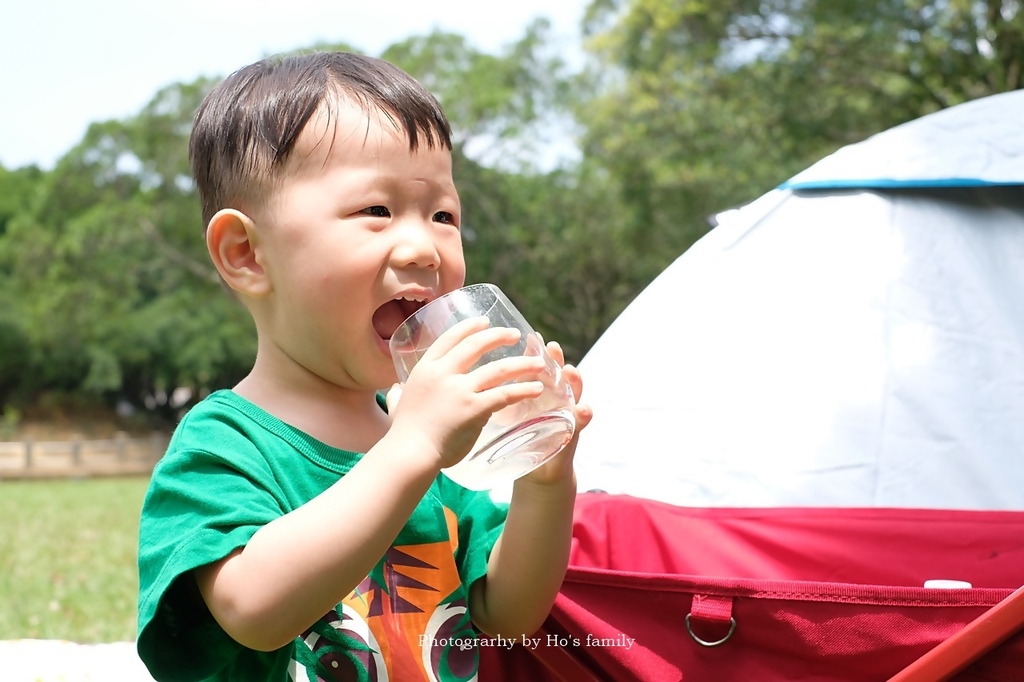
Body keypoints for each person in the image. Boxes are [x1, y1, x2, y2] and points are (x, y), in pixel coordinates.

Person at [135, 51, 591, 681]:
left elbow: (506, 615)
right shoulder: (223, 447)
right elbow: (253, 608)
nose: (424, 248)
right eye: (375, 211)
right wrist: (413, 447)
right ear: (247, 254)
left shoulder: (433, 441)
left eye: (443, 216)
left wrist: (545, 484)